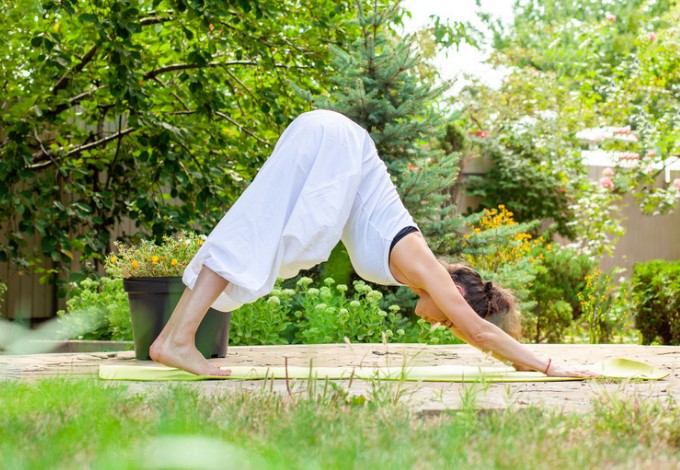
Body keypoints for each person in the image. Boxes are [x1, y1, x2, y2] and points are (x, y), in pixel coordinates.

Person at [150, 110, 599, 378]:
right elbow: (479, 330)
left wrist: (514, 361)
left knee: (261, 233)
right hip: (338, 143)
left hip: (328, 137)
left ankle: (173, 338)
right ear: (457, 294)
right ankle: (179, 339)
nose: (441, 326)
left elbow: (472, 332)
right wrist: (544, 365)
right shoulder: (429, 270)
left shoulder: (419, 273)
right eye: (449, 322)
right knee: (262, 235)